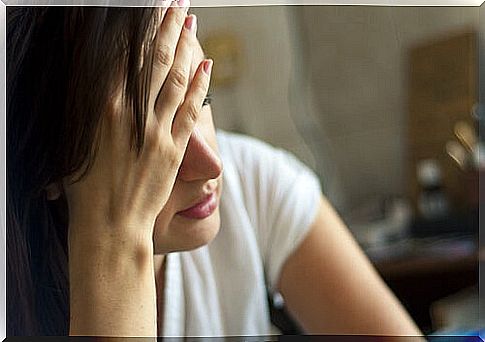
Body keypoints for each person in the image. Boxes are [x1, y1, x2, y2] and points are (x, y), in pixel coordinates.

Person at [6, 3, 423, 338]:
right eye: (150, 134)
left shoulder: (254, 180)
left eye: (199, 101)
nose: (211, 164)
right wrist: (116, 237)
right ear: (50, 171)